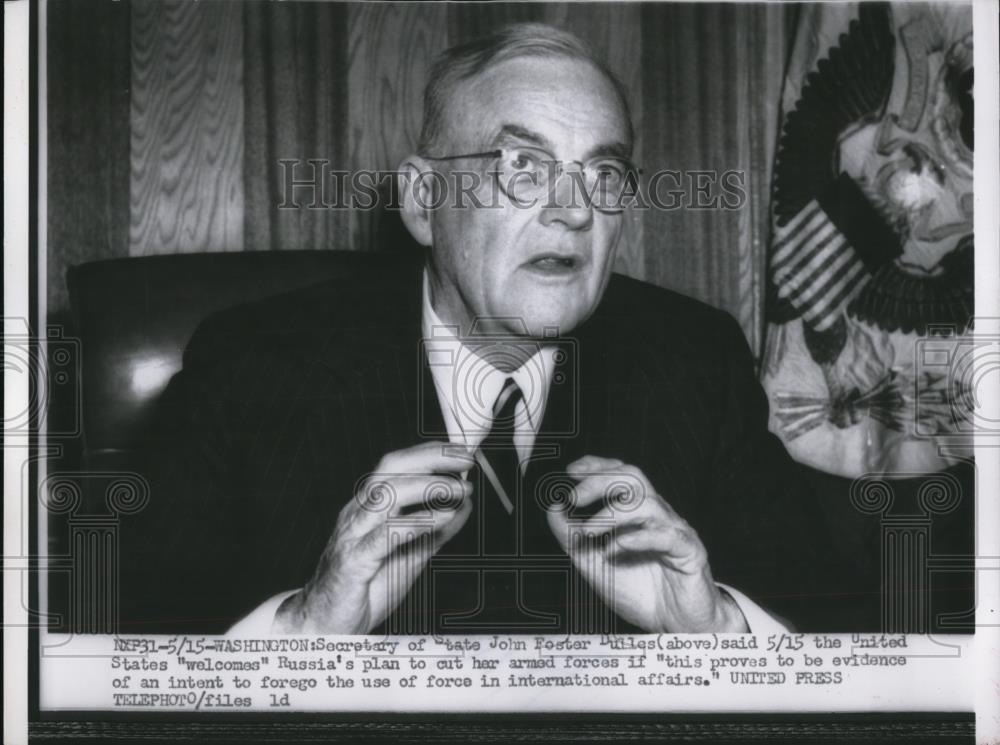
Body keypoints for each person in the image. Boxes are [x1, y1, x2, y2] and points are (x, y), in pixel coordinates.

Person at [120, 23, 856, 636]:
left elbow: (842, 640)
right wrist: (305, 632)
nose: (574, 209)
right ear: (420, 200)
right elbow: (122, 654)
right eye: (522, 166)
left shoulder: (696, 357)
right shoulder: (253, 364)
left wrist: (715, 631)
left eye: (603, 174)